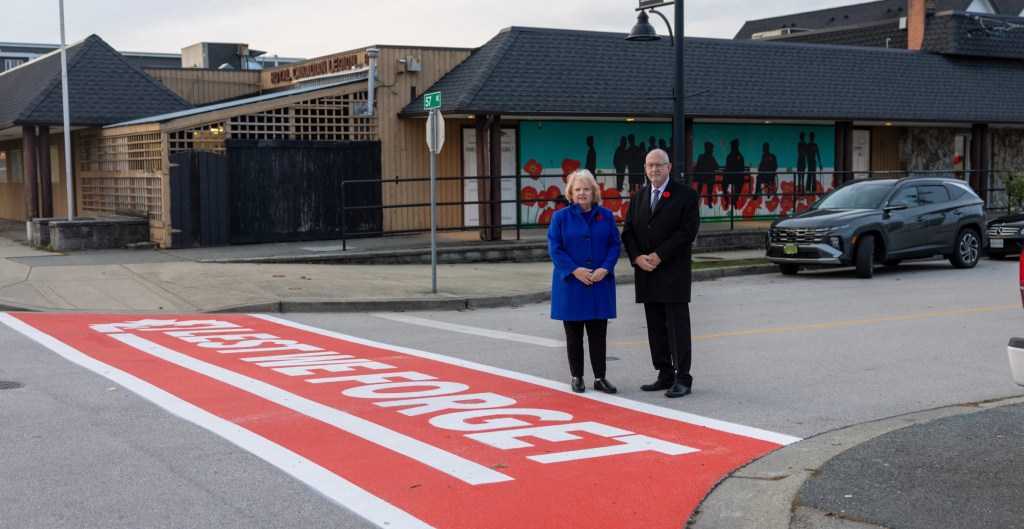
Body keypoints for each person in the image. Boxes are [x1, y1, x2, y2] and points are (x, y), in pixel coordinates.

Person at [621, 149, 700, 398]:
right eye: (650, 165)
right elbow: (629, 232)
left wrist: (659, 255)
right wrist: (636, 257)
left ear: (669, 168)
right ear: (644, 168)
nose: (654, 169)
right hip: (647, 273)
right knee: (656, 328)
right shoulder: (639, 197)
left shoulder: (685, 195)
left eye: (659, 165)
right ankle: (664, 373)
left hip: (672, 272)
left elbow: (687, 233)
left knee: (677, 328)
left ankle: (683, 378)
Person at [547, 169, 621, 394]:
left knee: (598, 334)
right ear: (571, 193)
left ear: (593, 192)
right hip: (571, 285)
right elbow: (555, 248)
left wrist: (604, 269)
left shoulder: (606, 216)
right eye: (577, 189)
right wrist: (574, 270)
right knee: (574, 334)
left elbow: (614, 245)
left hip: (599, 282)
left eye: (586, 189)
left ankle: (600, 377)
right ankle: (576, 376)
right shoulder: (560, 217)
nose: (582, 193)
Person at [693, 141, 719, 207]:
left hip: (704, 178)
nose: (712, 150)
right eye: (711, 149)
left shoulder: (702, 157)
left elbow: (716, 167)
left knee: (701, 188)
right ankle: (708, 202)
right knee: (706, 188)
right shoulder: (708, 157)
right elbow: (717, 167)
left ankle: (698, 201)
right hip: (706, 178)